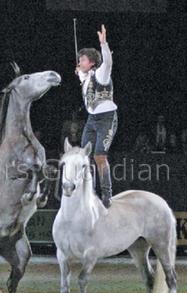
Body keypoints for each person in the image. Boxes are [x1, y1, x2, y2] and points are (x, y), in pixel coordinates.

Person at [76, 24, 117, 208]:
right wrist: (80, 73)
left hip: (107, 118)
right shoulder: (85, 77)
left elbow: (107, 63)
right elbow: (83, 78)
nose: (79, 63)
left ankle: (107, 195)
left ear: (91, 63)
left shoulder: (101, 74)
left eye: (82, 60)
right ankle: (88, 191)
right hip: (92, 120)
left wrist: (104, 44)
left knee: (100, 157)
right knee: (84, 157)